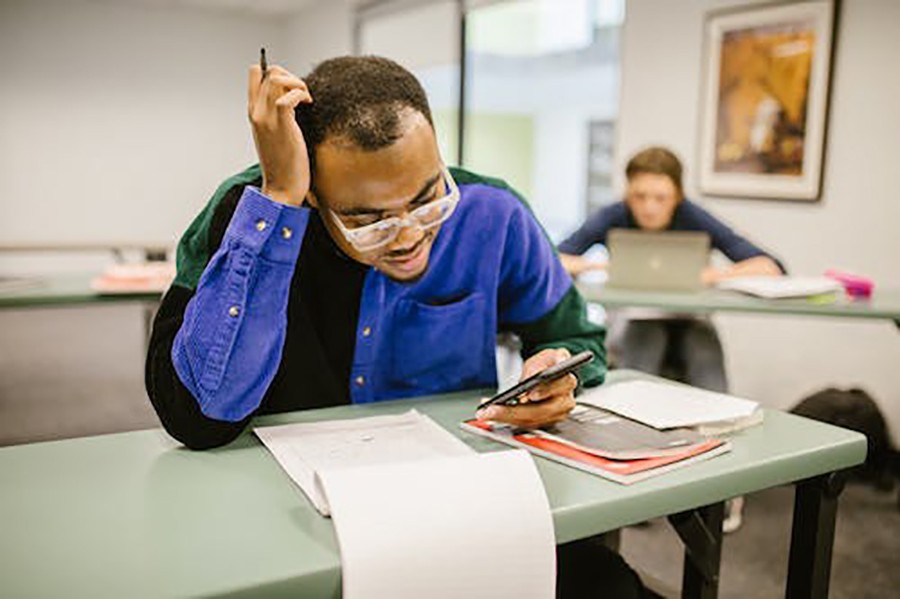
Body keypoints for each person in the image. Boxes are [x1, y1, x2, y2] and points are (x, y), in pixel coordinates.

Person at [145, 55, 642, 597]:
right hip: (292, 525)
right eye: (365, 218)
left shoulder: (493, 212)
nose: (406, 236)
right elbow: (198, 417)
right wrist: (281, 200)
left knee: (611, 584)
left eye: (427, 198)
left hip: (453, 507)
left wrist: (554, 368)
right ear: (314, 190)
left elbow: (573, 335)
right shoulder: (252, 214)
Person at [559, 146, 784, 533]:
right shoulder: (613, 216)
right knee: (640, 360)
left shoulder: (694, 217)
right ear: (628, 193)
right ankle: (637, 479)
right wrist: (598, 264)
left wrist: (710, 276)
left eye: (660, 198)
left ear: (677, 196)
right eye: (639, 196)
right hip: (639, 323)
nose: (648, 207)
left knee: (707, 364)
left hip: (691, 323)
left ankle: (725, 490)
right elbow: (553, 259)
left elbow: (771, 267)